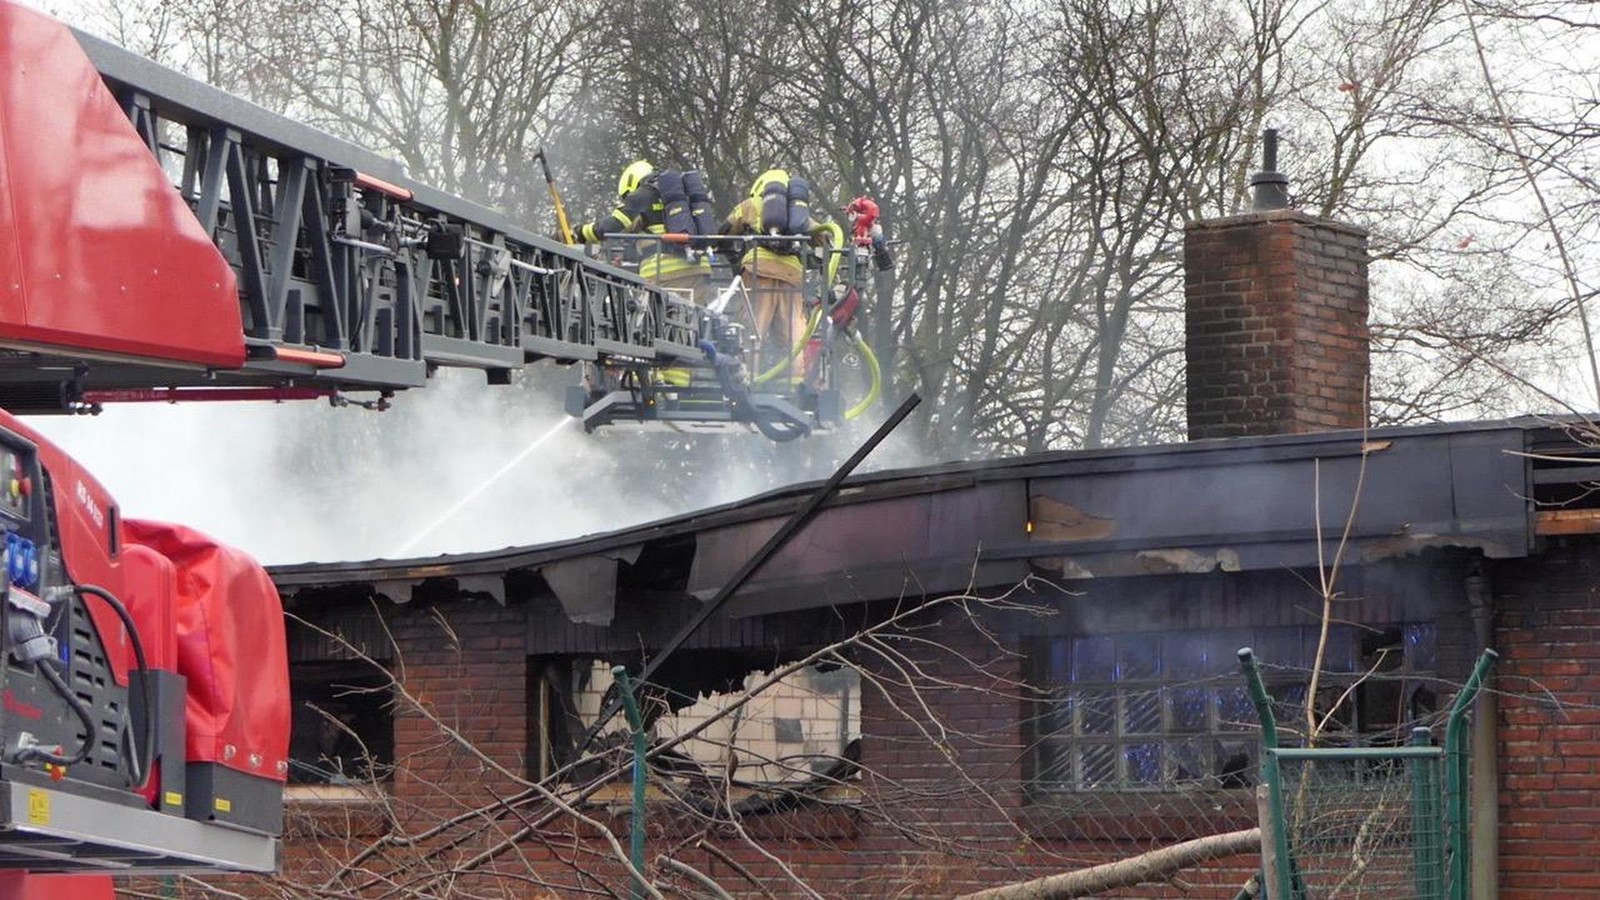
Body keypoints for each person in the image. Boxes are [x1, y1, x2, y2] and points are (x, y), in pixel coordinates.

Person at [722, 169, 843, 388]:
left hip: (758, 270)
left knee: (752, 331)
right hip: (791, 277)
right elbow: (824, 238)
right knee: (793, 335)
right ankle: (795, 383)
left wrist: (729, 255)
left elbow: (724, 232)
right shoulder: (798, 214)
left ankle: (745, 379)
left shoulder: (750, 205)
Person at [570, 160, 715, 305]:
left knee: (660, 318)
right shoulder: (682, 192)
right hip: (700, 270)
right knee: (697, 317)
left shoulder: (642, 196)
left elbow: (610, 226)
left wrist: (580, 233)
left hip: (664, 274)